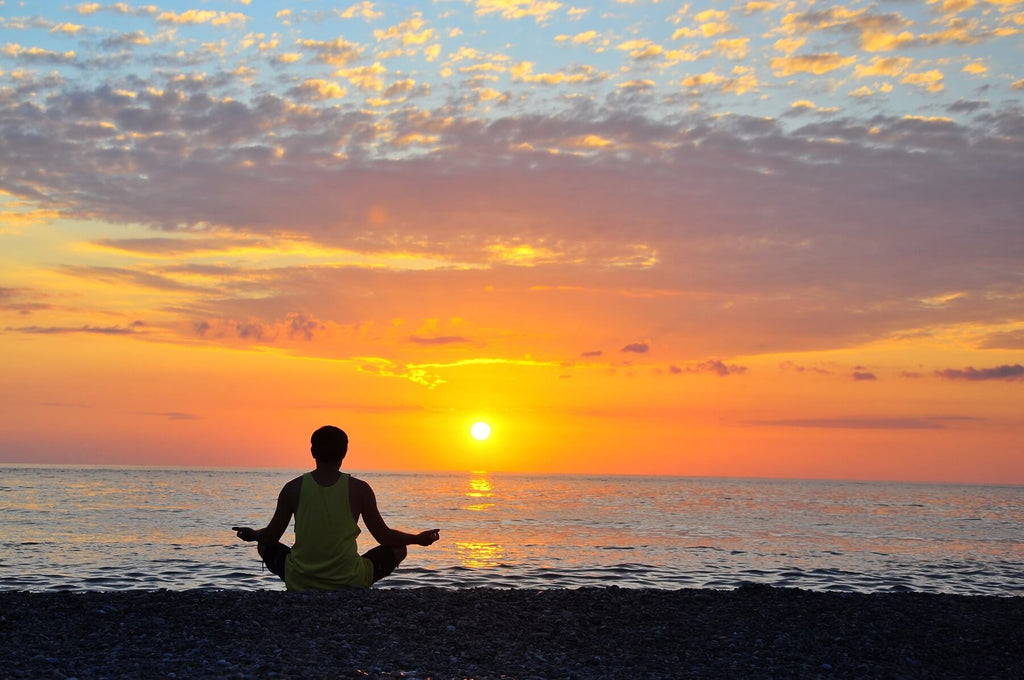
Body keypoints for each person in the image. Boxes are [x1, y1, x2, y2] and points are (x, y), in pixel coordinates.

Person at [232, 425, 439, 590]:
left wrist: (254, 535)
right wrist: (417, 539)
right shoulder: (360, 489)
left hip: (301, 580)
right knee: (398, 548)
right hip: (349, 579)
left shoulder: (292, 488)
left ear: (313, 451)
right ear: (345, 452)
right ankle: (353, 585)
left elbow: (270, 537)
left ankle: (305, 582)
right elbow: (384, 537)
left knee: (264, 545)